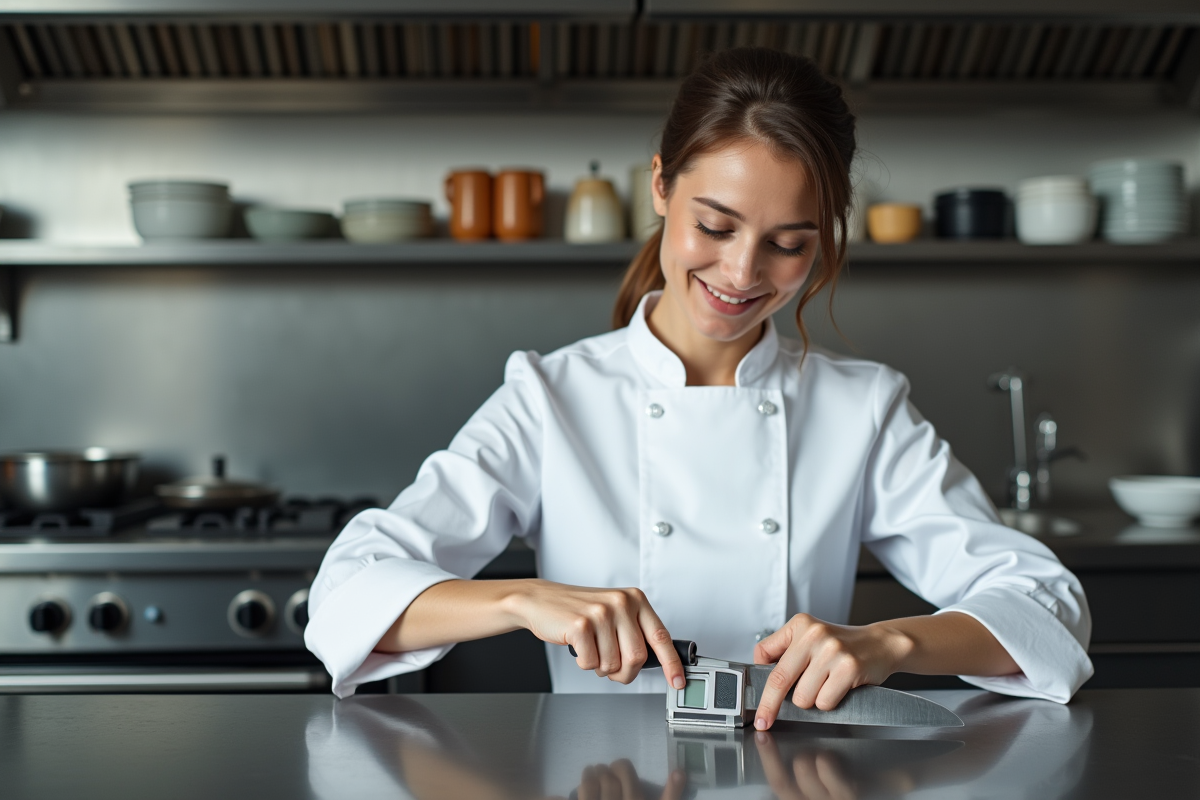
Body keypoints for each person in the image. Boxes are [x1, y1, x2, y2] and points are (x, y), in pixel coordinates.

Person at [305, 47, 1092, 730]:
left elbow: (1045, 602)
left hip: (796, 778)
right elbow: (346, 591)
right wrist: (521, 600)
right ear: (660, 187)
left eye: (788, 245)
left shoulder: (863, 409)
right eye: (715, 227)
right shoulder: (552, 397)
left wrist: (892, 642)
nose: (743, 274)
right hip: (597, 775)